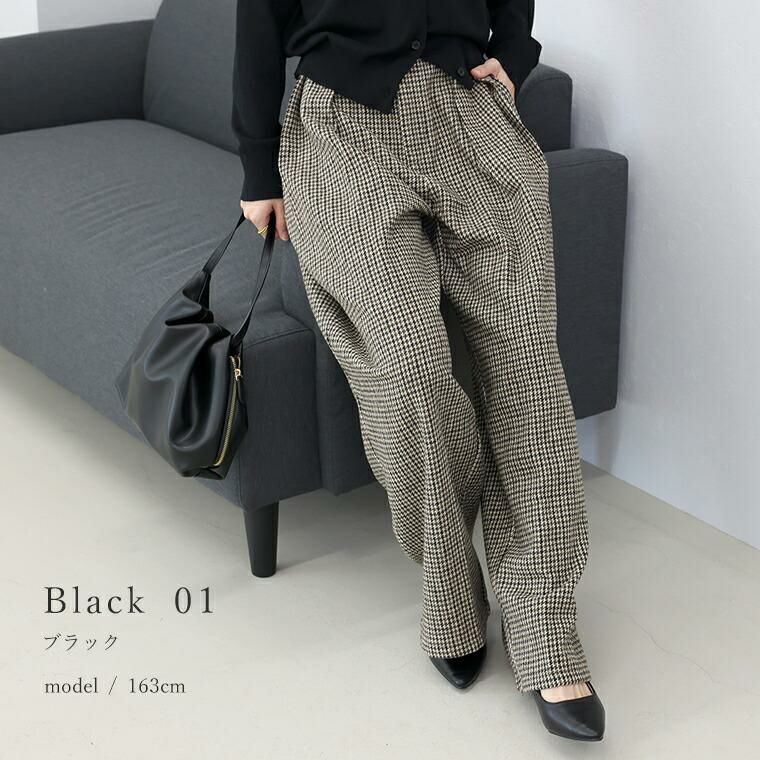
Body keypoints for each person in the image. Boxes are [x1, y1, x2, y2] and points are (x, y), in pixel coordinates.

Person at [232, 0, 606, 742]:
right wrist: (258, 164)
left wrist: (515, 50)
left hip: (471, 113)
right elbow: (259, 19)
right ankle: (452, 590)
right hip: (340, 128)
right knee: (411, 377)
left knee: (529, 368)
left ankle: (545, 625)